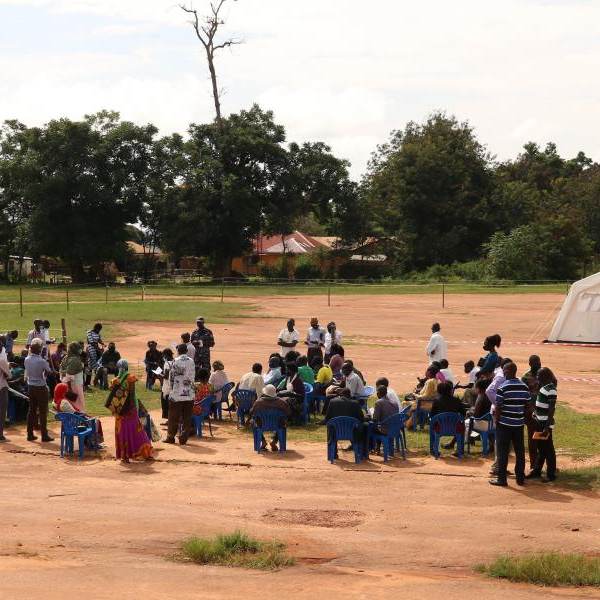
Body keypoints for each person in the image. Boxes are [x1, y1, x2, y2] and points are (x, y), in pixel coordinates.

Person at [489, 362, 531, 487]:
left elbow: (498, 407)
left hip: (504, 424)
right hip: (518, 424)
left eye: (505, 370)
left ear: (507, 371)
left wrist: (497, 421)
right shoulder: (524, 387)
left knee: (503, 452)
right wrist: (522, 419)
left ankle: (502, 479)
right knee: (519, 451)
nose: (504, 372)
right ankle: (520, 478)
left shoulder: (503, 387)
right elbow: (527, 407)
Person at [107, 360, 153, 462]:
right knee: (137, 431)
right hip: (130, 411)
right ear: (127, 367)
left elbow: (113, 395)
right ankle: (145, 453)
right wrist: (132, 409)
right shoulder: (130, 378)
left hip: (119, 412)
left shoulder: (115, 380)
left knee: (122, 432)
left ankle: (125, 457)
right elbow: (132, 395)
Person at [526, 367, 558, 482]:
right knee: (541, 449)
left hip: (545, 424)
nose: (537, 377)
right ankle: (537, 471)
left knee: (548, 449)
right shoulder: (544, 388)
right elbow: (542, 406)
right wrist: (535, 413)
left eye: (539, 375)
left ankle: (551, 474)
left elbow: (551, 410)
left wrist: (546, 428)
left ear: (545, 376)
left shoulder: (551, 389)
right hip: (539, 422)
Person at [165, 344, 196, 445]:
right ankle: (184, 438)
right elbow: (193, 376)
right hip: (189, 393)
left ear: (178, 350)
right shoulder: (191, 361)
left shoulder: (176, 361)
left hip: (177, 394)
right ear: (186, 351)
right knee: (187, 417)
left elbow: (172, 377)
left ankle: (171, 437)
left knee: (173, 416)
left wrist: (171, 390)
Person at [24, 339, 54, 442]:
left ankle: (30, 434)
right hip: (41, 387)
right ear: (39, 350)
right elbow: (49, 372)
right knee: (42, 411)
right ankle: (44, 435)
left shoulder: (26, 359)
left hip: (31, 387)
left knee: (31, 410)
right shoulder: (42, 361)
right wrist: (48, 372)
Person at [325, 388, 367, 459]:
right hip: (351, 432)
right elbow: (361, 420)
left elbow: (327, 418)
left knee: (330, 426)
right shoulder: (355, 403)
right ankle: (360, 454)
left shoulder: (332, 402)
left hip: (336, 432)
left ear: (341, 395)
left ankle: (333, 454)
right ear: (350, 395)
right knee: (363, 428)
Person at [250, 384, 292, 451]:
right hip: (278, 424)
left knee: (253, 421)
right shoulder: (282, 402)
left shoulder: (259, 402)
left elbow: (252, 412)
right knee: (282, 423)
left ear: (265, 393)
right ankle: (274, 441)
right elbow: (289, 413)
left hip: (261, 424)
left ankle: (263, 441)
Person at [60, 342, 85, 412]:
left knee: (70, 405)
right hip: (74, 386)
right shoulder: (74, 359)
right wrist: (70, 390)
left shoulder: (66, 357)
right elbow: (69, 374)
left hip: (67, 384)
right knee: (78, 405)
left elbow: (62, 371)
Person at [160, 348, 174, 422]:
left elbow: (166, 376)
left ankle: (169, 421)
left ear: (166, 355)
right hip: (173, 386)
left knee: (166, 404)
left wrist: (159, 374)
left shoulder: (167, 363)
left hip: (166, 387)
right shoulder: (175, 362)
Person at [0, 343, 10, 442]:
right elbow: (8, 375)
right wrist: (8, 366)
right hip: (1, 386)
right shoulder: (2, 359)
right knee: (2, 411)